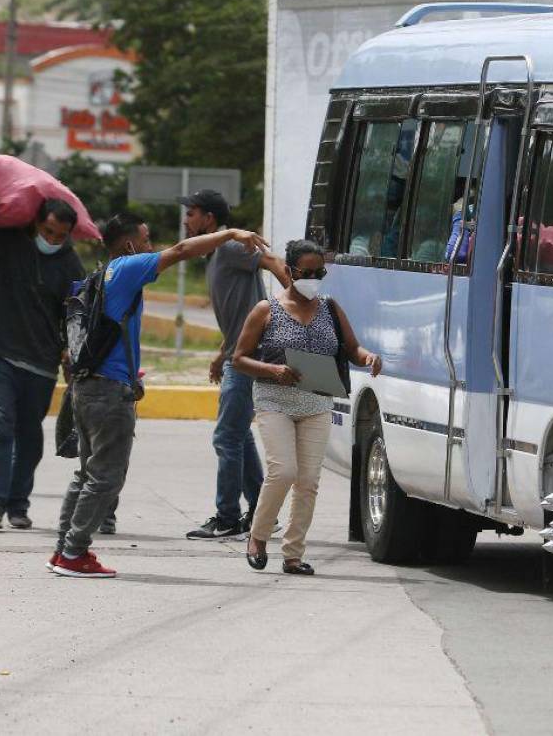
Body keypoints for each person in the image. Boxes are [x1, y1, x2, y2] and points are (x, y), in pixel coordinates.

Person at [50, 212, 268, 578]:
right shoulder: (128, 267)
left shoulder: (102, 274)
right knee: (105, 477)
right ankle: (74, 553)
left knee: (86, 474)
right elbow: (183, 250)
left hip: (87, 388)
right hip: (108, 393)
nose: (152, 247)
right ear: (129, 244)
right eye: (147, 239)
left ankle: (63, 549)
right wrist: (229, 231)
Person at [234, 239, 381, 576]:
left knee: (308, 481)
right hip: (275, 402)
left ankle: (293, 553)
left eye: (320, 272)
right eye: (307, 272)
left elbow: (352, 348)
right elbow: (239, 358)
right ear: (289, 271)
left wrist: (368, 358)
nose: (314, 278)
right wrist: (272, 370)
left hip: (316, 402)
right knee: (283, 471)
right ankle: (257, 536)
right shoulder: (266, 309)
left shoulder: (330, 307)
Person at [0, 187, 85, 530]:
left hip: (40, 363)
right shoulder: (10, 241)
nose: (52, 239)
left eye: (60, 236)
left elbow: (74, 313)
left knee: (29, 435)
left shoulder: (69, 263)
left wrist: (70, 350)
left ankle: (18, 504)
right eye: (48, 232)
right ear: (37, 224)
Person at [180, 189, 291, 541]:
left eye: (192, 213)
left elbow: (271, 261)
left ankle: (227, 517)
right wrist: (221, 353)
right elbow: (240, 312)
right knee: (239, 435)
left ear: (209, 219)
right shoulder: (216, 253)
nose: (187, 220)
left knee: (226, 437)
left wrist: (298, 304)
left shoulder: (229, 247)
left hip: (251, 355)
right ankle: (262, 513)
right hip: (237, 352)